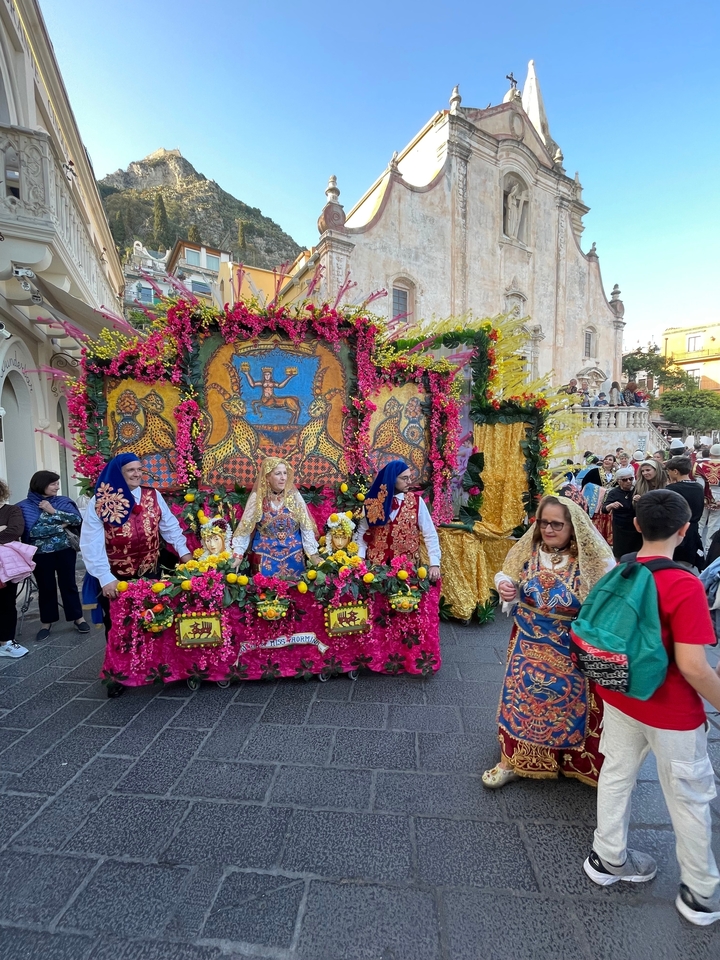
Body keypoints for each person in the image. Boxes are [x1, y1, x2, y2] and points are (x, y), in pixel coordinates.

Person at [584, 489, 720, 926]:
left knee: (617, 773)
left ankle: (607, 858)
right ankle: (699, 892)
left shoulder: (620, 569)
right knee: (689, 796)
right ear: (685, 531)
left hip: (620, 694)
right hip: (671, 710)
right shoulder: (684, 584)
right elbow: (695, 668)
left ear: (637, 525)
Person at [483, 494, 614, 788]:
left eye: (557, 524)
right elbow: (507, 574)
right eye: (544, 523)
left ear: (573, 527)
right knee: (523, 700)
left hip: (570, 648)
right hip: (527, 644)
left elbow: (608, 596)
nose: (549, 530)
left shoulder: (592, 560)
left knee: (568, 703)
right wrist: (506, 587)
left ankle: (571, 761)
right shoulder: (529, 552)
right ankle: (513, 760)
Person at [80, 454, 192, 639]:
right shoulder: (100, 501)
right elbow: (91, 542)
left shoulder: (153, 495)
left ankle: (149, 663)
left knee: (153, 617)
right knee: (118, 623)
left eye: (139, 469)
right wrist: (105, 577)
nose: (137, 474)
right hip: (116, 574)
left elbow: (169, 526)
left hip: (150, 570)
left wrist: (184, 552)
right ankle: (119, 664)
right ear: (118, 473)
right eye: (131, 470)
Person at [18, 471, 89, 642]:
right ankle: (46, 622)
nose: (57, 487)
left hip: (65, 550)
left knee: (69, 584)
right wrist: (59, 526)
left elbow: (76, 520)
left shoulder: (62, 502)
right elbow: (32, 531)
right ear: (41, 484)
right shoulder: (24, 506)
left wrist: (53, 511)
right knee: (46, 587)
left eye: (57, 483)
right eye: (53, 484)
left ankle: (78, 618)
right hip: (40, 555)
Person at [353, 460, 441, 580]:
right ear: (392, 479)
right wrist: (360, 560)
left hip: (407, 571)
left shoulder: (416, 502)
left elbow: (429, 533)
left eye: (409, 478)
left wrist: (434, 563)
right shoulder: (372, 502)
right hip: (376, 572)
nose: (409, 482)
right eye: (404, 478)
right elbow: (363, 534)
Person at [232, 457, 321, 575]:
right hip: (265, 558)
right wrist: (238, 554)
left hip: (294, 557)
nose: (283, 478)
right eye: (278, 474)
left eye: (285, 473)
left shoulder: (294, 497)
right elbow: (245, 528)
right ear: (267, 477)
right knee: (264, 592)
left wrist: (312, 554)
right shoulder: (257, 498)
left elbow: (306, 525)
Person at [0, 479, 29, 659]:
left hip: (5, 567)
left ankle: (6, 641)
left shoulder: (11, 510)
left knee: (6, 603)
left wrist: (5, 529)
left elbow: (15, 531)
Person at [665, 456, 706, 571]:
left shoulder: (672, 489)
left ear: (675, 471)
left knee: (674, 566)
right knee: (687, 567)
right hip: (693, 530)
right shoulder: (698, 487)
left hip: (676, 530)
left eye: (669, 471)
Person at [602, 467, 642, 559]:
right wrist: (611, 505)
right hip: (621, 528)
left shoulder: (637, 490)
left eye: (630, 479)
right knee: (621, 554)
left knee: (636, 553)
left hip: (635, 526)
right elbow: (604, 509)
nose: (628, 481)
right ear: (619, 481)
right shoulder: (614, 492)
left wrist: (641, 499)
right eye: (625, 480)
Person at [696, 443, 720, 548]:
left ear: (710, 454)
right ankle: (709, 549)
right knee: (714, 525)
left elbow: (699, 483)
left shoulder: (700, 465)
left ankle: (698, 548)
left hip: (703, 495)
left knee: (700, 523)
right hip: (718, 495)